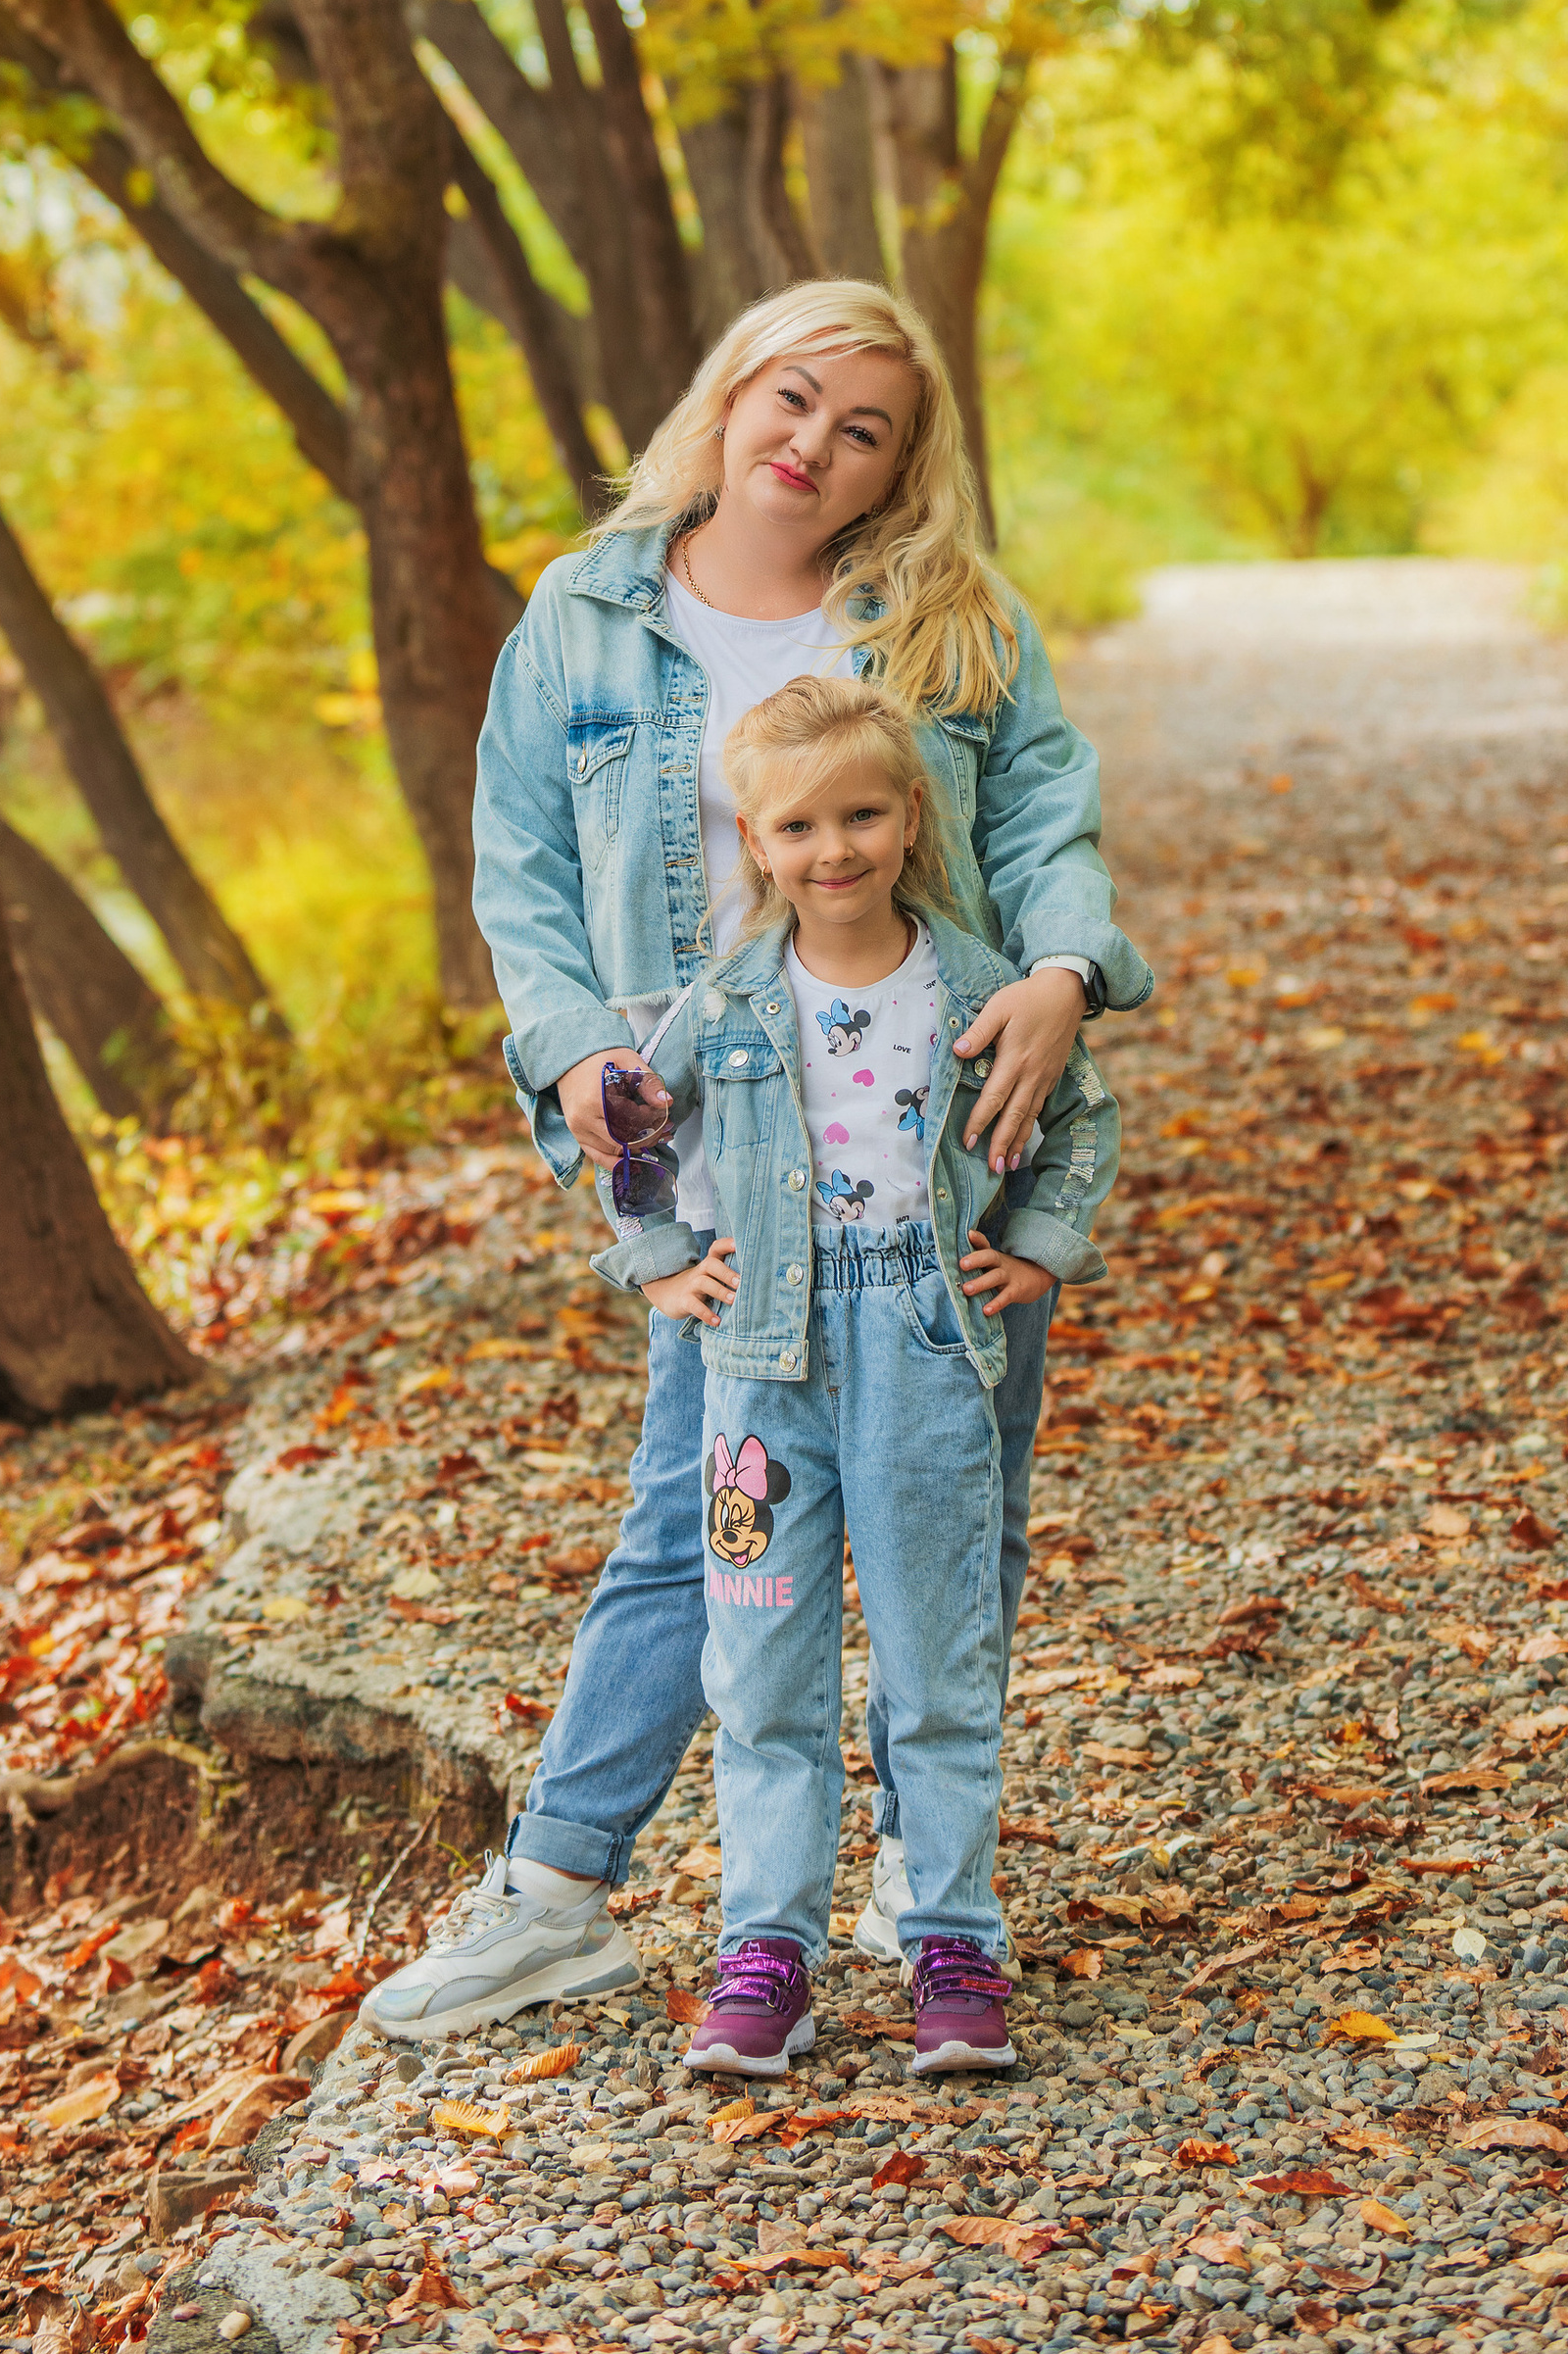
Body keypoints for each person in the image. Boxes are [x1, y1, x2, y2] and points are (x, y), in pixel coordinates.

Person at [360, 277, 1151, 2045]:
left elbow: (1043, 825)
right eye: (790, 399)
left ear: (894, 472)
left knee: (959, 1520)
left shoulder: (947, 618)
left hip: (940, 1146)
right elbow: (520, 880)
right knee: (694, 1515)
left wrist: (1063, 978)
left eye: (862, 427)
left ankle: (923, 1891)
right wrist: (569, 1055)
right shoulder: (581, 619)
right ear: (726, 398)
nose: (812, 442)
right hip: (714, 1169)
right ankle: (565, 1889)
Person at [649, 671, 1118, 2081]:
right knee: (763, 1663)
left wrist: (1037, 1242)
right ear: (756, 842)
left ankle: (952, 1936)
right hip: (762, 1366)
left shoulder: (977, 985)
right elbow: (625, 1128)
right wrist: (660, 1258)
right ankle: (766, 1954)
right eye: (798, 826)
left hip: (925, 1340)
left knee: (937, 1649)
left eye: (862, 815)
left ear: (912, 818)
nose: (833, 849)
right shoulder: (727, 1001)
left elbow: (1081, 1114)